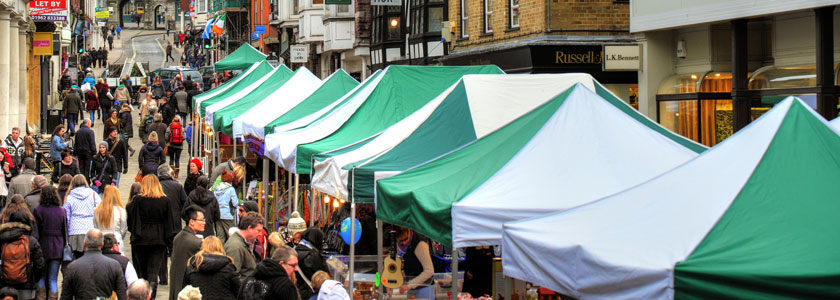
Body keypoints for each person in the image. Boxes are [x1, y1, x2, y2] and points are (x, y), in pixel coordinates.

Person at [126, 175, 176, 299]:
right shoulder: (165, 201)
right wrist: (170, 243)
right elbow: (169, 223)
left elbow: (132, 220)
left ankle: (142, 295)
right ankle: (151, 296)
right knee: (153, 271)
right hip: (158, 239)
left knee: (141, 271)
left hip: (141, 239)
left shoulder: (138, 200)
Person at [60, 229, 127, 300]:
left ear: (84, 243)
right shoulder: (114, 265)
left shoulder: (72, 267)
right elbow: (122, 294)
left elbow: (65, 297)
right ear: (102, 245)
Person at [0, 207, 46, 300]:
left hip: (5, 286)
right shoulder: (31, 241)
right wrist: (34, 279)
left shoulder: (2, 239)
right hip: (26, 286)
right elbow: (40, 265)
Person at [33, 186, 66, 300]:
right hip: (57, 247)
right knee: (53, 279)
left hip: (42, 246)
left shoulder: (38, 210)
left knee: (41, 277)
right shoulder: (62, 210)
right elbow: (65, 231)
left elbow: (36, 233)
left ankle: (41, 297)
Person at [156, 165, 187, 285]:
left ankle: (163, 278)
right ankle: (175, 276)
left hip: (160, 225)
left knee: (161, 253)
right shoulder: (178, 186)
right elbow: (185, 203)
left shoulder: (156, 186)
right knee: (175, 251)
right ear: (170, 174)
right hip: (175, 224)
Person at [169, 206, 205, 300]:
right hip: (186, 291)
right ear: (192, 221)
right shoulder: (196, 243)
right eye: (201, 220)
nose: (204, 223)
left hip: (175, 288)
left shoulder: (178, 236)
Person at [63, 175, 101, 259]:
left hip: (74, 230)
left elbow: (66, 216)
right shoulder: (93, 194)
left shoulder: (69, 197)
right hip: (89, 228)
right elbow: (100, 209)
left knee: (76, 257)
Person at [395, 227, 435, 299]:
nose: (404, 243)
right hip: (411, 288)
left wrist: (409, 285)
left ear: (409, 231)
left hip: (424, 289)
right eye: (400, 241)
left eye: (406, 239)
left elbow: (429, 271)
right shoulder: (400, 247)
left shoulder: (420, 245)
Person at [225, 212, 264, 283]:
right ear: (249, 228)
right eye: (258, 230)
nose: (260, 234)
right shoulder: (235, 247)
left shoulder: (244, 243)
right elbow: (232, 277)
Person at [294, 228, 329, 300]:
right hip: (310, 293)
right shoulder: (313, 256)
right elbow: (319, 277)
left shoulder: (295, 250)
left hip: (298, 292)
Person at [94, 185, 127, 253]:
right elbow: (123, 229)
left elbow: (95, 227)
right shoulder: (120, 211)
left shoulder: (96, 211)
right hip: (117, 239)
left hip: (101, 240)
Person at [214, 171, 240, 243]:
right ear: (230, 180)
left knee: (220, 237)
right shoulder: (231, 189)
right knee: (231, 236)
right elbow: (235, 203)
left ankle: (220, 252)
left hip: (218, 215)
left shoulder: (216, 189)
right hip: (228, 215)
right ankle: (230, 252)